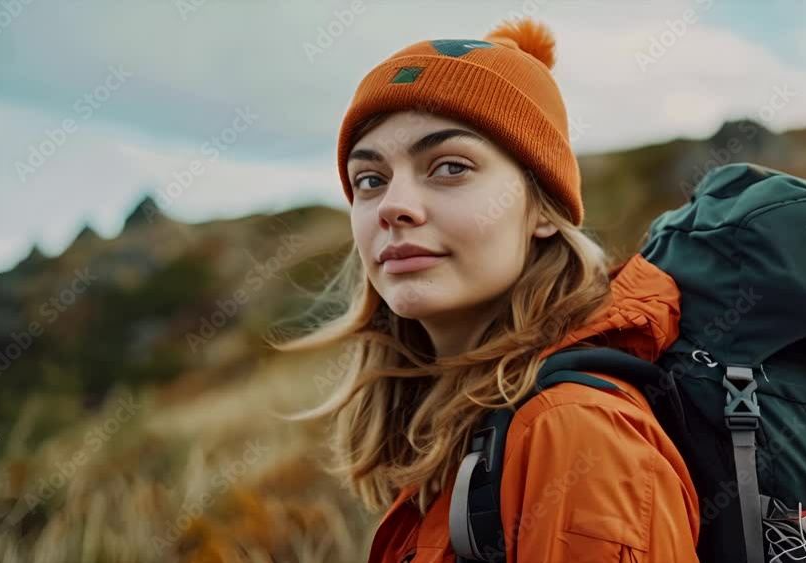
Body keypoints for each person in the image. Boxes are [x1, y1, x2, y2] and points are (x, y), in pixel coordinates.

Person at [277, 17, 700, 562]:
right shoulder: (465, 432)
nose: (392, 206)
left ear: (542, 209)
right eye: (370, 179)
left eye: (450, 167)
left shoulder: (572, 435)